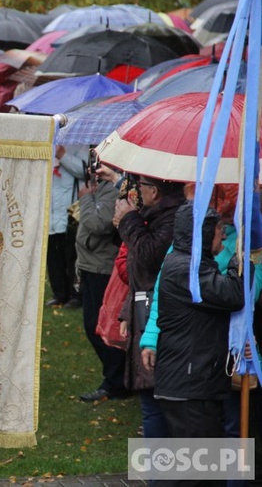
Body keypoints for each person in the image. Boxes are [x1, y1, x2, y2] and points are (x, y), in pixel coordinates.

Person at [153, 203, 245, 438]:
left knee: (200, 468)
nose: (223, 235)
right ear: (203, 233)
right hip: (190, 386)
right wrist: (239, 258)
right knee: (195, 470)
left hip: (193, 382)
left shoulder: (190, 264)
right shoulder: (187, 270)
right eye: (218, 230)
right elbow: (233, 295)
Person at [113, 175, 185, 439]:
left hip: (160, 318)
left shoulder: (173, 217)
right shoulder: (156, 214)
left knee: (159, 402)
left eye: (142, 186)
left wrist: (129, 220)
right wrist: (125, 311)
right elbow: (138, 270)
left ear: (154, 191)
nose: (138, 191)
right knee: (152, 402)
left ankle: (165, 475)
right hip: (146, 312)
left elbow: (150, 256)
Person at [76, 158, 127, 401]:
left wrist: (86, 197)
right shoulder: (103, 187)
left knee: (99, 326)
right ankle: (118, 378)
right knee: (93, 325)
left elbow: (97, 224)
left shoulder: (112, 189)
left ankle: (116, 381)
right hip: (91, 264)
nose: (92, 165)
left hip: (102, 267)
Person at [45, 145, 87, 308]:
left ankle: (75, 294)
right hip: (51, 212)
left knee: (72, 256)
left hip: (70, 213)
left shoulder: (79, 144)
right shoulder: (49, 142)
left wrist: (63, 155)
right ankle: (59, 293)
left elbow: (84, 170)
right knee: (54, 257)